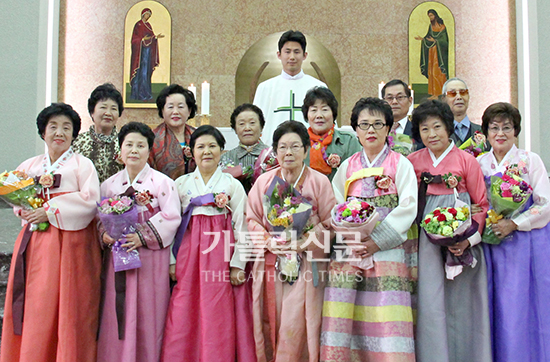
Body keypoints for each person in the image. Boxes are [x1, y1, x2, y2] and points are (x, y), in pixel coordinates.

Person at [1, 103, 101, 362]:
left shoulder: (83, 165)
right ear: (43, 132)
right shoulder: (29, 165)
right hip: (36, 242)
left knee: (70, 303)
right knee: (37, 302)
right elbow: (16, 200)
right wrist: (25, 210)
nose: (60, 132)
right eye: (53, 126)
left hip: (72, 244)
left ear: (74, 134)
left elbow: (90, 201)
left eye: (66, 128)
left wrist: (51, 210)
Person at [320, 98, 418, 362]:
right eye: (364, 125)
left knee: (387, 318)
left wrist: (377, 241)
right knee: (345, 320)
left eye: (378, 124)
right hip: (349, 251)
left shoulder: (401, 164)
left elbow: (408, 207)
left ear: (388, 129)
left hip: (387, 252)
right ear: (356, 131)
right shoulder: (348, 166)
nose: (371, 130)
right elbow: (335, 206)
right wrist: (350, 236)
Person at [407, 100, 491, 362]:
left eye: (437, 127)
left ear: (449, 127)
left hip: (463, 243)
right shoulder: (412, 162)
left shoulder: (468, 162)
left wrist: (468, 241)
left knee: (463, 305)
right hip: (426, 244)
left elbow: (481, 205)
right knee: (429, 302)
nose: (431, 134)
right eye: (424, 129)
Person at [162, 125, 255, 362]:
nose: (207, 151)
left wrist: (238, 264)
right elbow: (171, 225)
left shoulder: (232, 185)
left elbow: (242, 225)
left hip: (220, 254)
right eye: (200, 146)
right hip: (188, 256)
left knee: (218, 310)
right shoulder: (181, 184)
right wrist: (171, 262)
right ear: (191, 152)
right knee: (185, 307)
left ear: (222, 151)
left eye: (213, 146)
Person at [247, 120, 336, 362]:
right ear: (275, 151)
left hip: (307, 262)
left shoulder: (319, 182)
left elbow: (331, 223)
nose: (289, 152)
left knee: (298, 319)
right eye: (283, 147)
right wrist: (268, 240)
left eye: (296, 146)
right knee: (270, 316)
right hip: (271, 259)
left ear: (306, 150)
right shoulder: (264, 182)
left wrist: (306, 240)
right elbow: (251, 219)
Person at [97, 122, 181, 362]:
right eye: (129, 145)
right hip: (118, 253)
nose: (134, 150)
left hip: (149, 258)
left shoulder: (162, 183)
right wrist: (104, 233)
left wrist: (141, 236)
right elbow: (98, 218)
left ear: (149, 150)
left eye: (140, 145)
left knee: (149, 310)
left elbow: (171, 217)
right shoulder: (110, 184)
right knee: (117, 308)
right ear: (120, 150)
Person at [477, 102, 550, 362]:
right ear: (485, 132)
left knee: (519, 306)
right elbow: (474, 204)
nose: (500, 133)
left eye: (507, 128)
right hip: (489, 243)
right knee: (490, 305)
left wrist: (515, 223)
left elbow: (546, 203)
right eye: (494, 128)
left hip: (524, 244)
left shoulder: (530, 161)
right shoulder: (479, 163)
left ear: (516, 131)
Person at [253, 30, 327, 143]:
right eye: (287, 52)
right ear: (279, 55)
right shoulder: (265, 88)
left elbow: (329, 124)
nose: (292, 57)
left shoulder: (318, 87)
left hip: (310, 152)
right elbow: (255, 123)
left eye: (296, 52)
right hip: (273, 153)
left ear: (304, 55)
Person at [302, 86, 361, 181]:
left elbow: (357, 175)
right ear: (307, 115)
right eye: (313, 110)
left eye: (325, 110)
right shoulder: (299, 142)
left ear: (333, 114)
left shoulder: (348, 141)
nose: (319, 115)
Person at [72, 83, 124, 183]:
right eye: (103, 107)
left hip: (117, 197)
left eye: (113, 109)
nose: (108, 113)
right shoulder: (77, 142)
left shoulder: (124, 142)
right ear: (92, 112)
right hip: (83, 196)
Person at [148, 84, 197, 180]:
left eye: (180, 107)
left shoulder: (198, 136)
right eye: (170, 107)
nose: (175, 112)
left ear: (189, 111)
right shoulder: (152, 138)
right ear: (162, 111)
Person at [219, 103, 269, 193]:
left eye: (252, 123)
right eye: (241, 124)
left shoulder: (271, 155)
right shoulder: (225, 158)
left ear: (261, 127)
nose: (247, 128)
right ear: (235, 129)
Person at [443, 77, 489, 150]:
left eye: (463, 92)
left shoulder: (483, 131)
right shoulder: (439, 134)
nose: (459, 97)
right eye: (452, 93)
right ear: (444, 99)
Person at [130, 8, 164, 101]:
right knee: (140, 73)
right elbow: (134, 40)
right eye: (147, 15)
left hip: (147, 52)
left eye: (149, 15)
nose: (148, 17)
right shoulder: (138, 24)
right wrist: (142, 40)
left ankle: (146, 94)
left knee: (146, 73)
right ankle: (138, 94)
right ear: (143, 14)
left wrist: (156, 37)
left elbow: (151, 36)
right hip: (140, 53)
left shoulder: (148, 25)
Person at [382, 79, 425, 151]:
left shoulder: (419, 131)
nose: (394, 102)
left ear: (410, 101)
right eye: (389, 98)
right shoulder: (377, 129)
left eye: (400, 97)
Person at [415, 9, 449, 99]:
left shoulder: (442, 27)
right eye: (429, 16)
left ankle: (440, 93)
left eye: (431, 15)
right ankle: (434, 94)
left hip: (439, 55)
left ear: (435, 16)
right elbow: (428, 37)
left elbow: (445, 42)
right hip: (431, 53)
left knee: (438, 72)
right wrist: (422, 39)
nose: (430, 18)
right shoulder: (431, 27)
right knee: (431, 72)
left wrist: (435, 41)